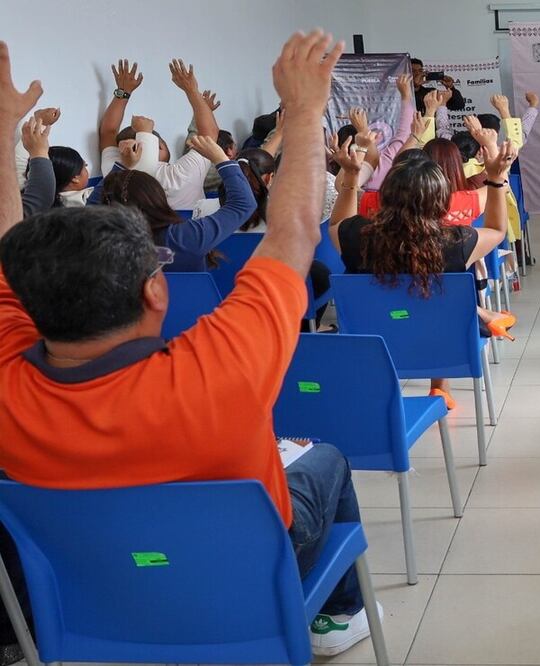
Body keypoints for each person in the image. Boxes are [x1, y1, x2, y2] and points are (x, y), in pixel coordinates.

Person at [0, 32, 385, 657]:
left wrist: (6, 130)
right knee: (330, 461)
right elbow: (291, 233)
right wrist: (309, 112)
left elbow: (6, 248)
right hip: (239, 564)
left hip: (90, 581)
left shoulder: (8, 383)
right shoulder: (221, 368)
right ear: (157, 294)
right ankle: (335, 619)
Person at [332, 137, 518, 408]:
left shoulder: (355, 236)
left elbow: (338, 222)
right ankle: (440, 388)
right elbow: (497, 231)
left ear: (386, 195)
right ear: (441, 200)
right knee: (433, 306)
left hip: (372, 346)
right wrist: (495, 178)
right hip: (440, 345)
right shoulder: (457, 241)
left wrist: (350, 176)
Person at [99, 134, 256, 272]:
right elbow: (243, 205)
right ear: (158, 197)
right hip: (191, 305)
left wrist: (122, 166)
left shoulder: (98, 238)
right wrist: (221, 159)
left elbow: (93, 205)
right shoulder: (183, 236)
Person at [97, 59, 220, 210]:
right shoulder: (179, 175)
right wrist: (192, 90)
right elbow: (210, 134)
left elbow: (108, 131)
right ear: (161, 146)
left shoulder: (114, 173)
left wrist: (123, 91)